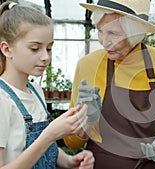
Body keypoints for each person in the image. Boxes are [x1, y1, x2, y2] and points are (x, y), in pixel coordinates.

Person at [63, 0, 155, 168]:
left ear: (134, 33)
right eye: (100, 31)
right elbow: (72, 143)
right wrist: (86, 121)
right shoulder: (88, 65)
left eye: (113, 33)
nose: (104, 41)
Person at [0, 2, 95, 169]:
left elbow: (46, 150)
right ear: (7, 49)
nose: (45, 57)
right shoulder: (2, 99)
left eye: (49, 48)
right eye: (35, 48)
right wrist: (49, 135)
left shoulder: (35, 90)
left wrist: (70, 161)